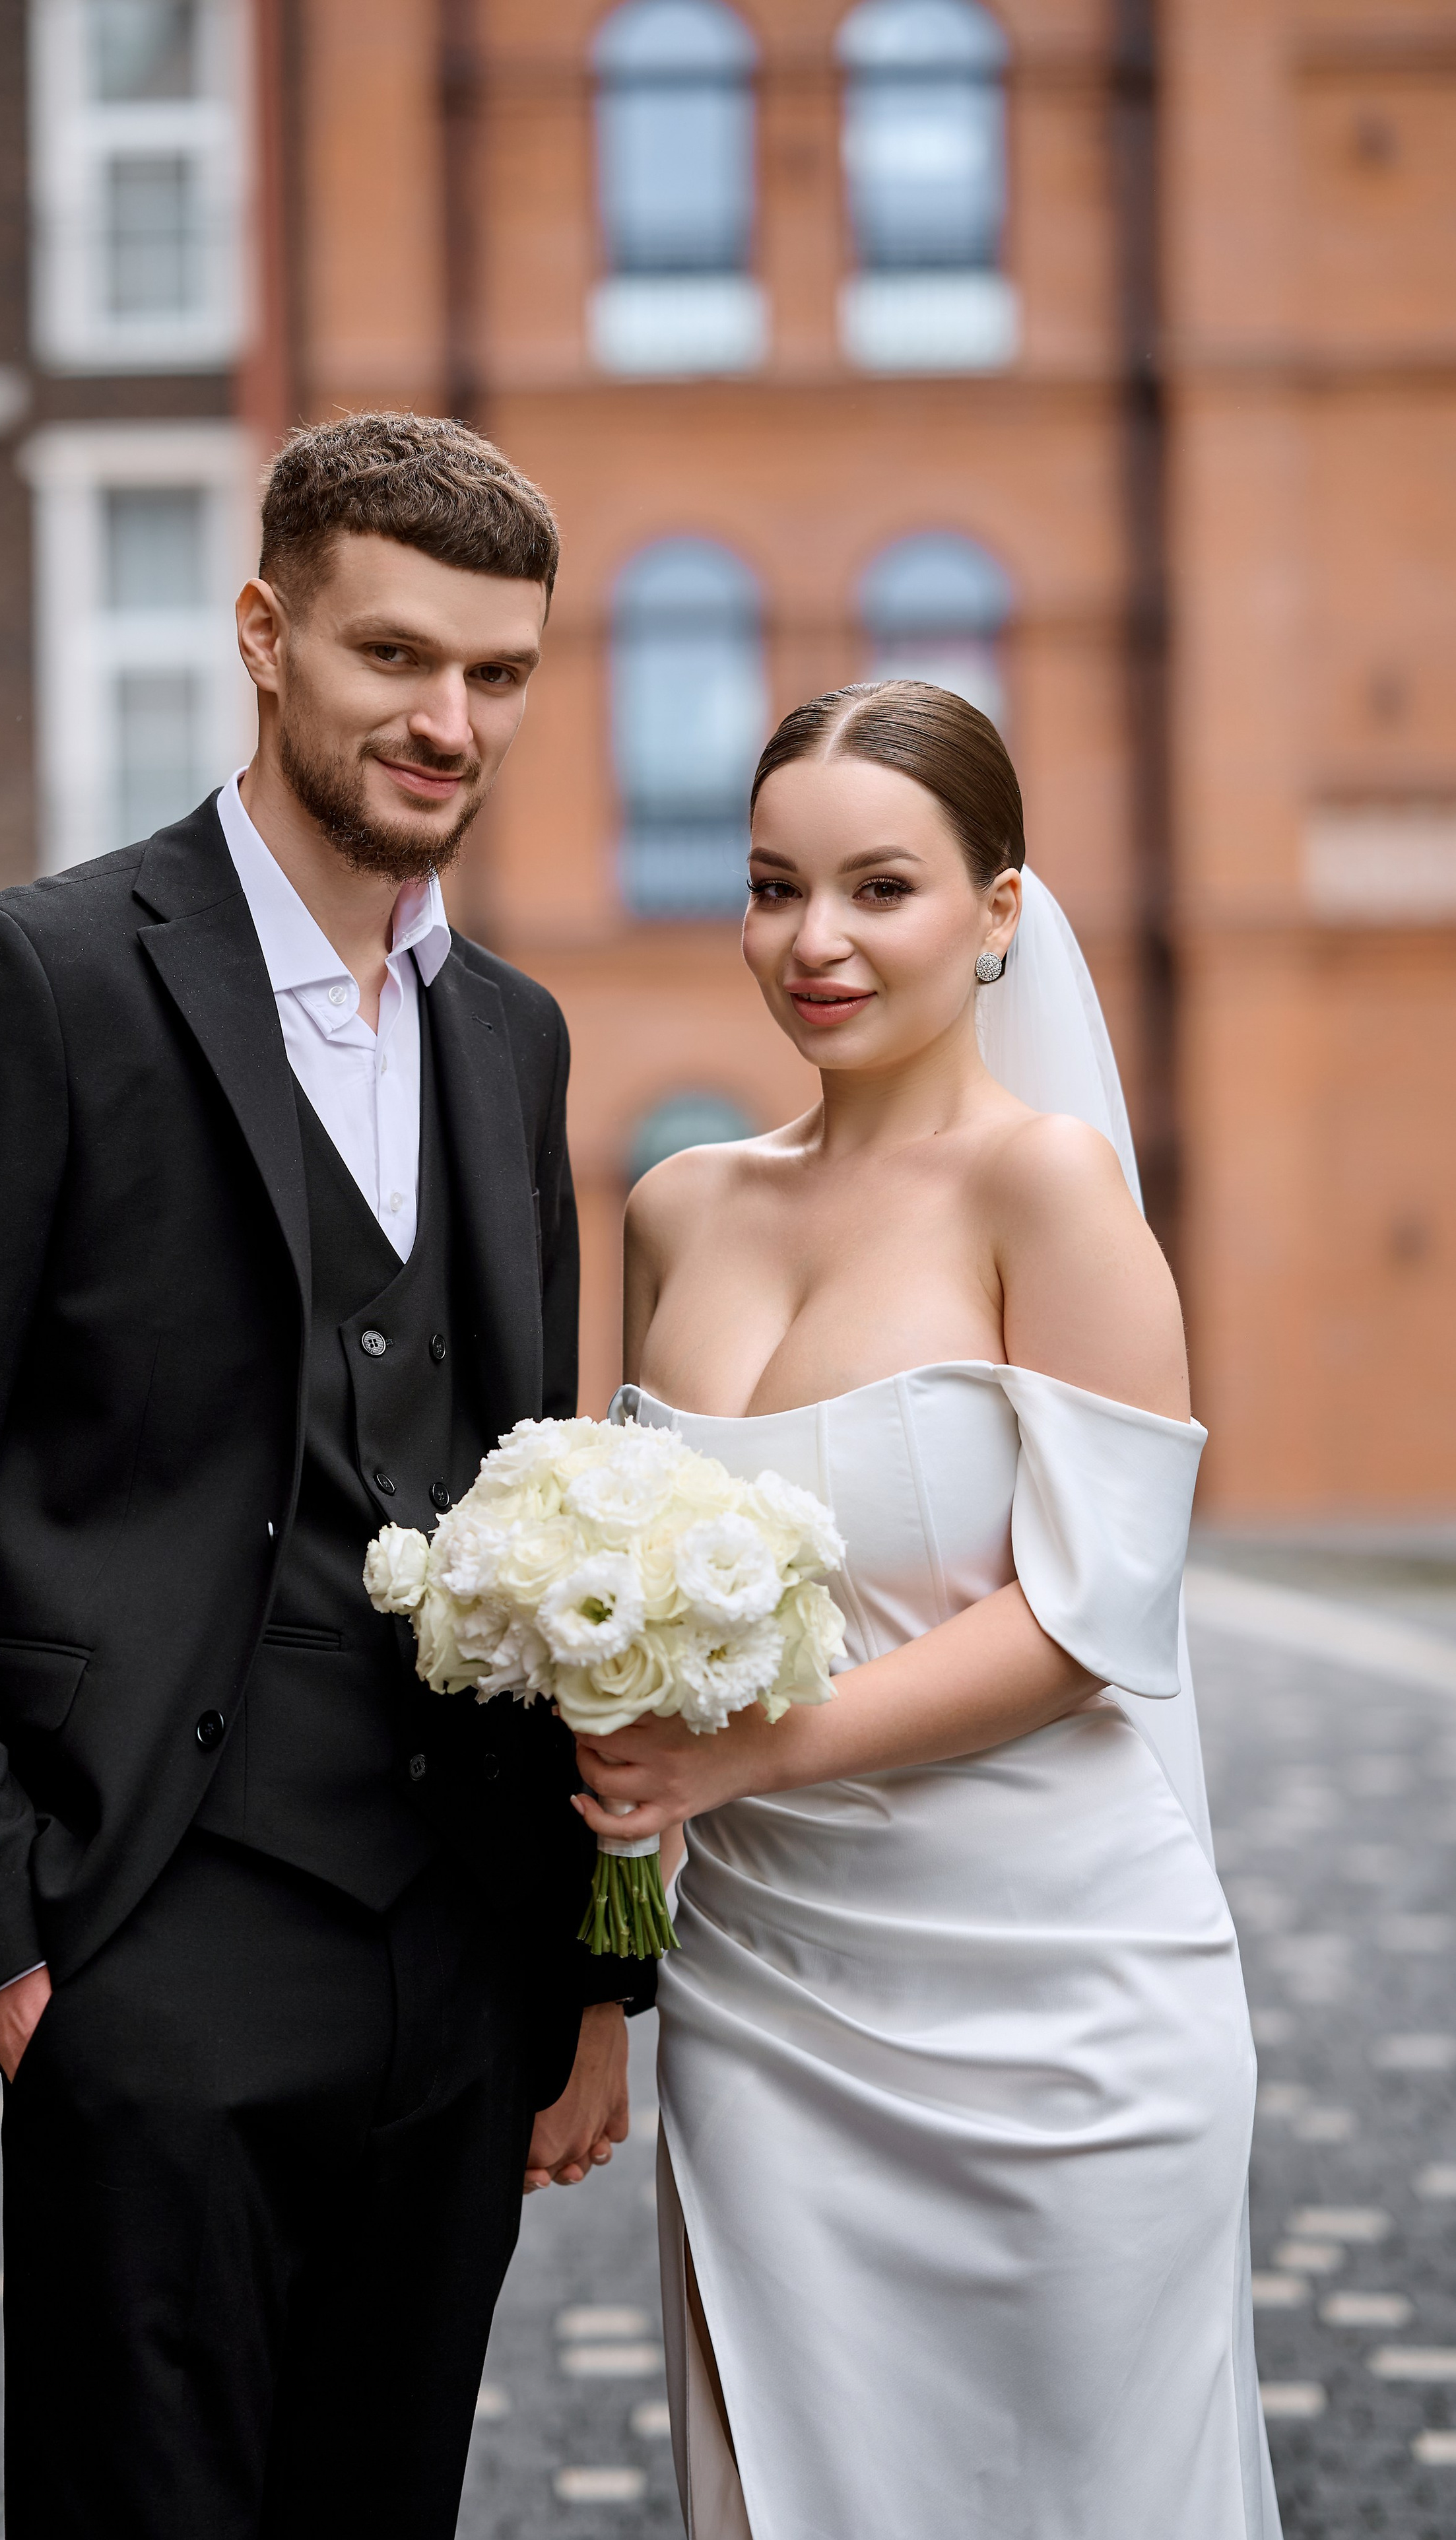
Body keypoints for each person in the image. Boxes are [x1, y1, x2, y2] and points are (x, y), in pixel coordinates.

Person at [0, 411, 651, 2540]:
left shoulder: (512, 1036)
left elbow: (522, 1486)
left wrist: (588, 1976)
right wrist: (7, 1949)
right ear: (267, 636)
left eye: (502, 674)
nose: (451, 722)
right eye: (395, 658)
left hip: (455, 1964)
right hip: (148, 1945)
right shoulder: (37, 981)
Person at [575, 681, 1280, 2540]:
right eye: (772, 886)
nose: (813, 942)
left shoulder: (1048, 1190)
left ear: (994, 914)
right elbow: (613, 1614)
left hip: (1061, 2009)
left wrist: (739, 1758)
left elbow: (1089, 1617)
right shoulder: (675, 1207)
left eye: (879, 888)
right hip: (764, 2005)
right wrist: (599, 1978)